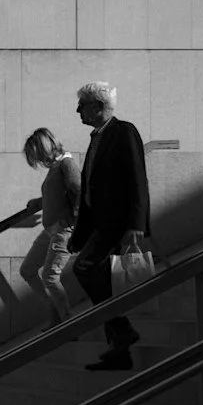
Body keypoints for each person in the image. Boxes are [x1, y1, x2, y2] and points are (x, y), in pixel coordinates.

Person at [68, 82, 152, 372]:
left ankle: (122, 329)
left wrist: (136, 224)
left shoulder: (123, 132)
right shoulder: (97, 138)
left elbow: (137, 178)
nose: (78, 109)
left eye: (84, 104)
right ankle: (119, 350)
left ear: (99, 107)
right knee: (100, 277)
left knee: (84, 268)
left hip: (116, 223)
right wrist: (80, 234)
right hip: (99, 224)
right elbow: (91, 189)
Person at [19, 127, 81, 318]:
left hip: (63, 229)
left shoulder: (66, 164)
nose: (38, 162)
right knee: (28, 270)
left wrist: (74, 221)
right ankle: (56, 312)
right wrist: (39, 202)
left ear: (44, 149)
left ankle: (67, 320)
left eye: (37, 156)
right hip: (51, 230)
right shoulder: (55, 167)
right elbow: (57, 194)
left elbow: (79, 190)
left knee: (50, 277)